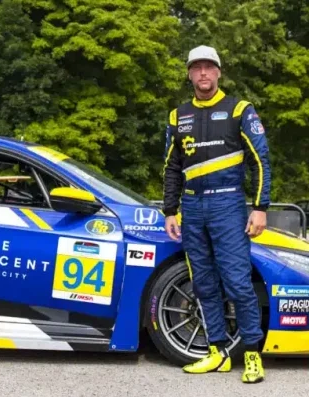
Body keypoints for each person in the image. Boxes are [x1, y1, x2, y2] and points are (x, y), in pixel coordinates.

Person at [162, 45, 270, 384]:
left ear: (219, 72)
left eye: (209, 67)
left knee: (238, 283)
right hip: (192, 207)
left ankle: (252, 355)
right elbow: (171, 168)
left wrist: (260, 208)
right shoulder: (177, 115)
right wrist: (169, 211)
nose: (203, 73)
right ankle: (217, 353)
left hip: (229, 205)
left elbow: (261, 161)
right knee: (203, 284)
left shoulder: (240, 109)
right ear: (190, 74)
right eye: (197, 68)